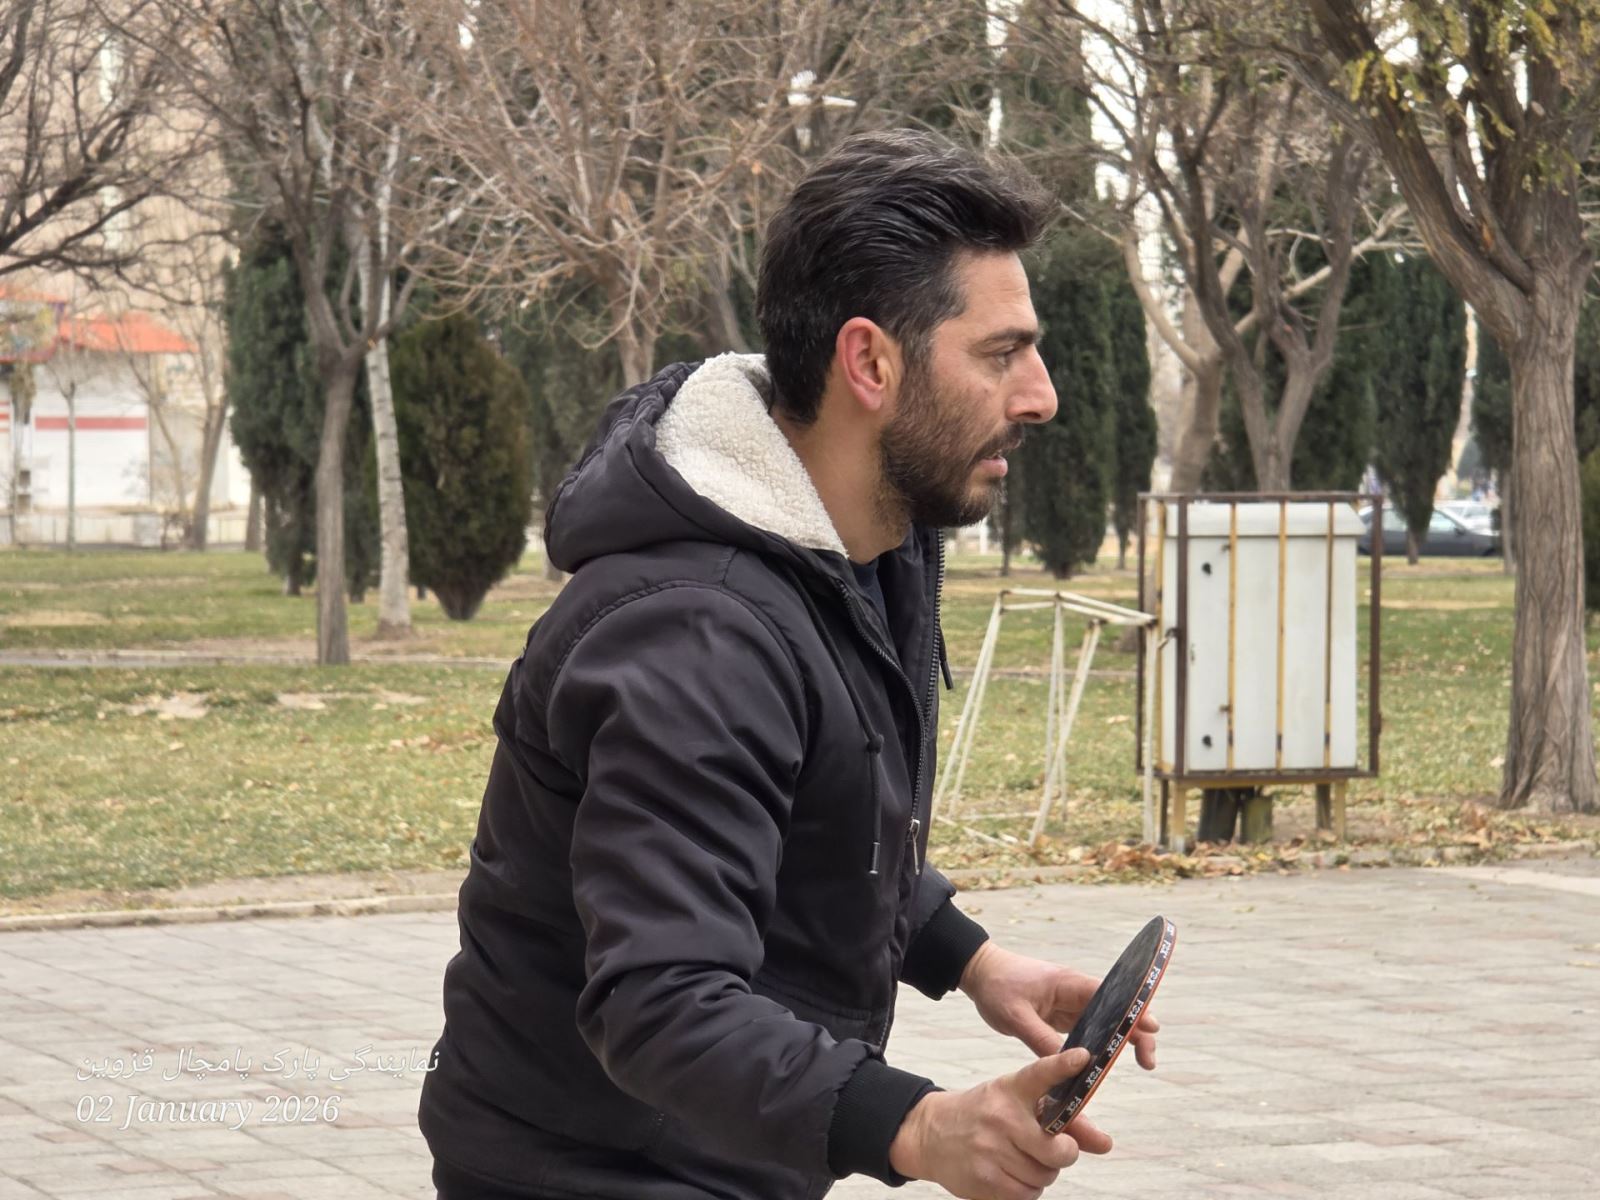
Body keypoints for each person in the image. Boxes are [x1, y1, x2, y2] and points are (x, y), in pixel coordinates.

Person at [419, 128, 1159, 1200]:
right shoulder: (695, 633)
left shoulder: (853, 553)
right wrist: (917, 1125)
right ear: (870, 363)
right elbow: (660, 1001)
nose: (1040, 396)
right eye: (1001, 354)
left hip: (708, 1156)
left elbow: (816, 816)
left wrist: (970, 960)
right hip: (599, 1174)